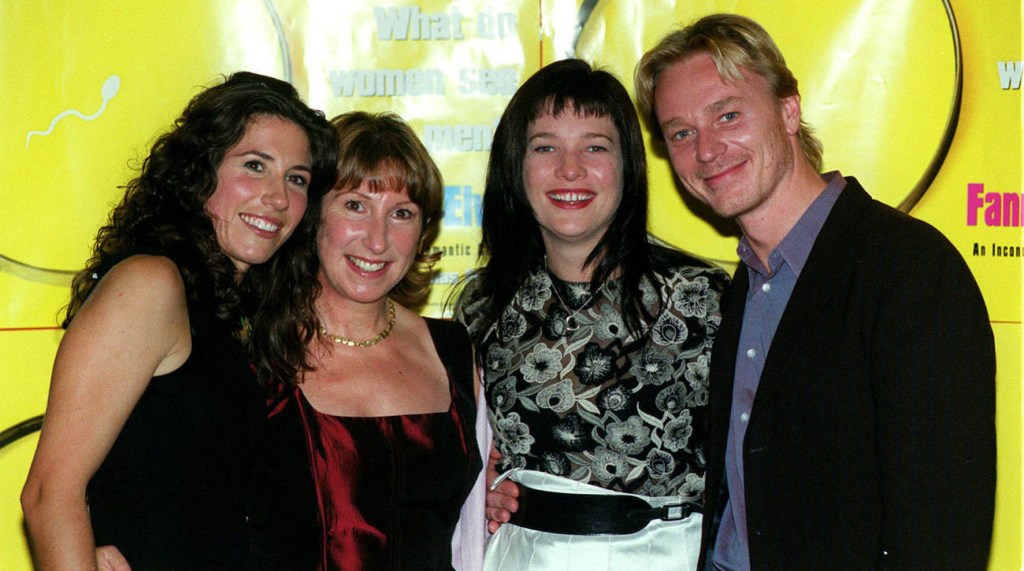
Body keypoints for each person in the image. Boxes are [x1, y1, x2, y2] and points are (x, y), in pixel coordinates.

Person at [634, 13, 996, 570]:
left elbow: (942, 525)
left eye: (727, 115)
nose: (706, 150)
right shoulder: (742, 289)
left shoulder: (907, 268)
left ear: (788, 111)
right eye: (681, 132)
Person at [20, 71, 339, 570]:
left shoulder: (244, 311)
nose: (278, 197)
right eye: (255, 165)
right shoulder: (152, 284)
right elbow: (48, 493)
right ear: (199, 172)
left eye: (296, 179)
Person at [453, 59, 729, 570]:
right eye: (545, 147)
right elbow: (463, 460)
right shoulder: (482, 307)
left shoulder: (704, 300)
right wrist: (478, 496)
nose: (570, 169)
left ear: (629, 165)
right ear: (515, 166)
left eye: (595, 146)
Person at [247, 111, 484, 571]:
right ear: (313, 213)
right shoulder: (256, 350)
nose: (377, 241)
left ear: (424, 231)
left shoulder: (455, 350)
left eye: (401, 214)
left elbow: (473, 516)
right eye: (355, 205)